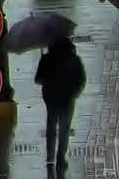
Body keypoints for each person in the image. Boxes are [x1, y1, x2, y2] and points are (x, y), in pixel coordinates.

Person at [35, 38, 86, 171]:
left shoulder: (47, 59)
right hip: (68, 98)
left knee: (51, 126)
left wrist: (46, 74)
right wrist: (75, 93)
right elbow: (81, 79)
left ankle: (50, 157)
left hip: (51, 98)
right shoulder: (74, 59)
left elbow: (38, 79)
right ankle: (60, 158)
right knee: (64, 128)